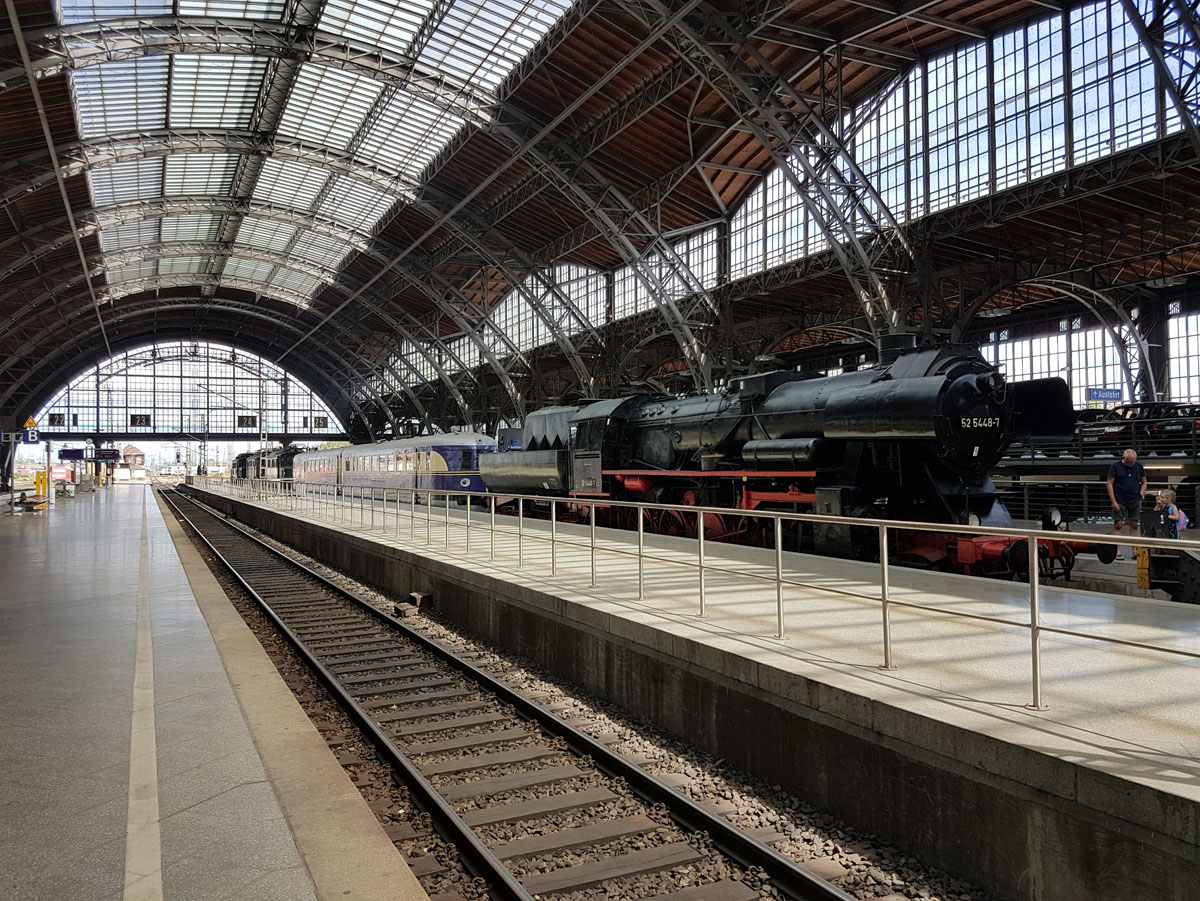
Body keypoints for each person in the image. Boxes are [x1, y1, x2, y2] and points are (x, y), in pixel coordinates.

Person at [1106, 448, 1147, 558]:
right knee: (1118, 524)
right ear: (1124, 459)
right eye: (1130, 461)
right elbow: (1109, 483)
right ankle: (1117, 550)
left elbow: (1144, 481)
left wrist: (1141, 494)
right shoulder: (1115, 466)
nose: (1132, 463)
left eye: (1133, 461)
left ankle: (1135, 550)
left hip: (1134, 499)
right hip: (1119, 499)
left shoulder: (1138, 466)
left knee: (1134, 524)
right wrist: (1113, 501)